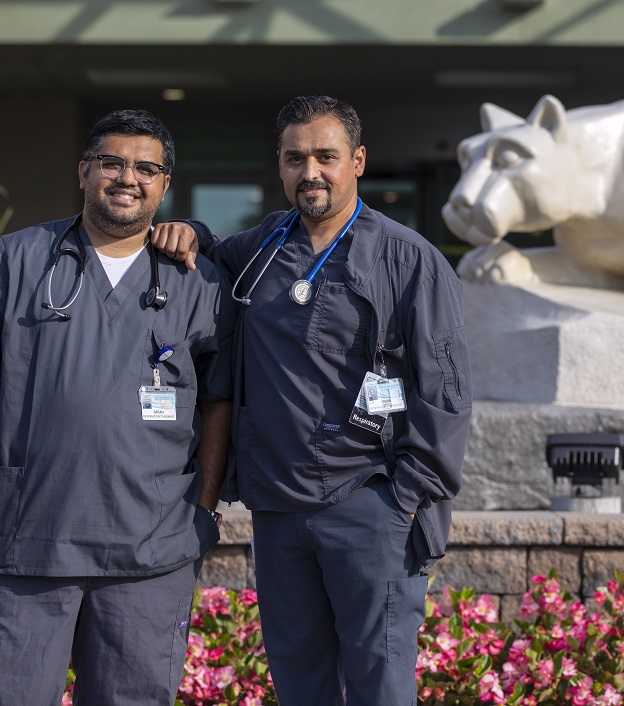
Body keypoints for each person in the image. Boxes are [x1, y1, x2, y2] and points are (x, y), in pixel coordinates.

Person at [153, 95, 472, 706]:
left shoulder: (410, 260)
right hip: (278, 512)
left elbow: (447, 396)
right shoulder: (262, 250)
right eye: (296, 158)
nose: (311, 172)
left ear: (357, 160)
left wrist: (403, 503)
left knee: (381, 687)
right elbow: (207, 257)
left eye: (326, 156)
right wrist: (189, 228)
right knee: (299, 684)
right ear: (279, 165)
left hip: (370, 506)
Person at [0, 109, 234, 706]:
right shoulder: (17, 258)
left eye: (146, 168)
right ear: (83, 171)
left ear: (164, 185)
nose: (127, 178)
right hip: (24, 541)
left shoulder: (197, 280)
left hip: (150, 550)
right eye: (111, 163)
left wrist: (204, 507)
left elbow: (219, 402)